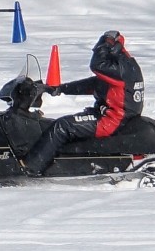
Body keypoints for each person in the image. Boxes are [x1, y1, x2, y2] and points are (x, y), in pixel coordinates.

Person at [23, 30, 144, 177]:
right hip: (114, 116)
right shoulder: (123, 65)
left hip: (111, 120)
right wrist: (60, 89)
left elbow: (96, 65)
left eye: (102, 46)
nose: (98, 49)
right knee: (57, 125)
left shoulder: (122, 68)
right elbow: (94, 84)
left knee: (61, 126)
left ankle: (31, 168)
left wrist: (105, 43)